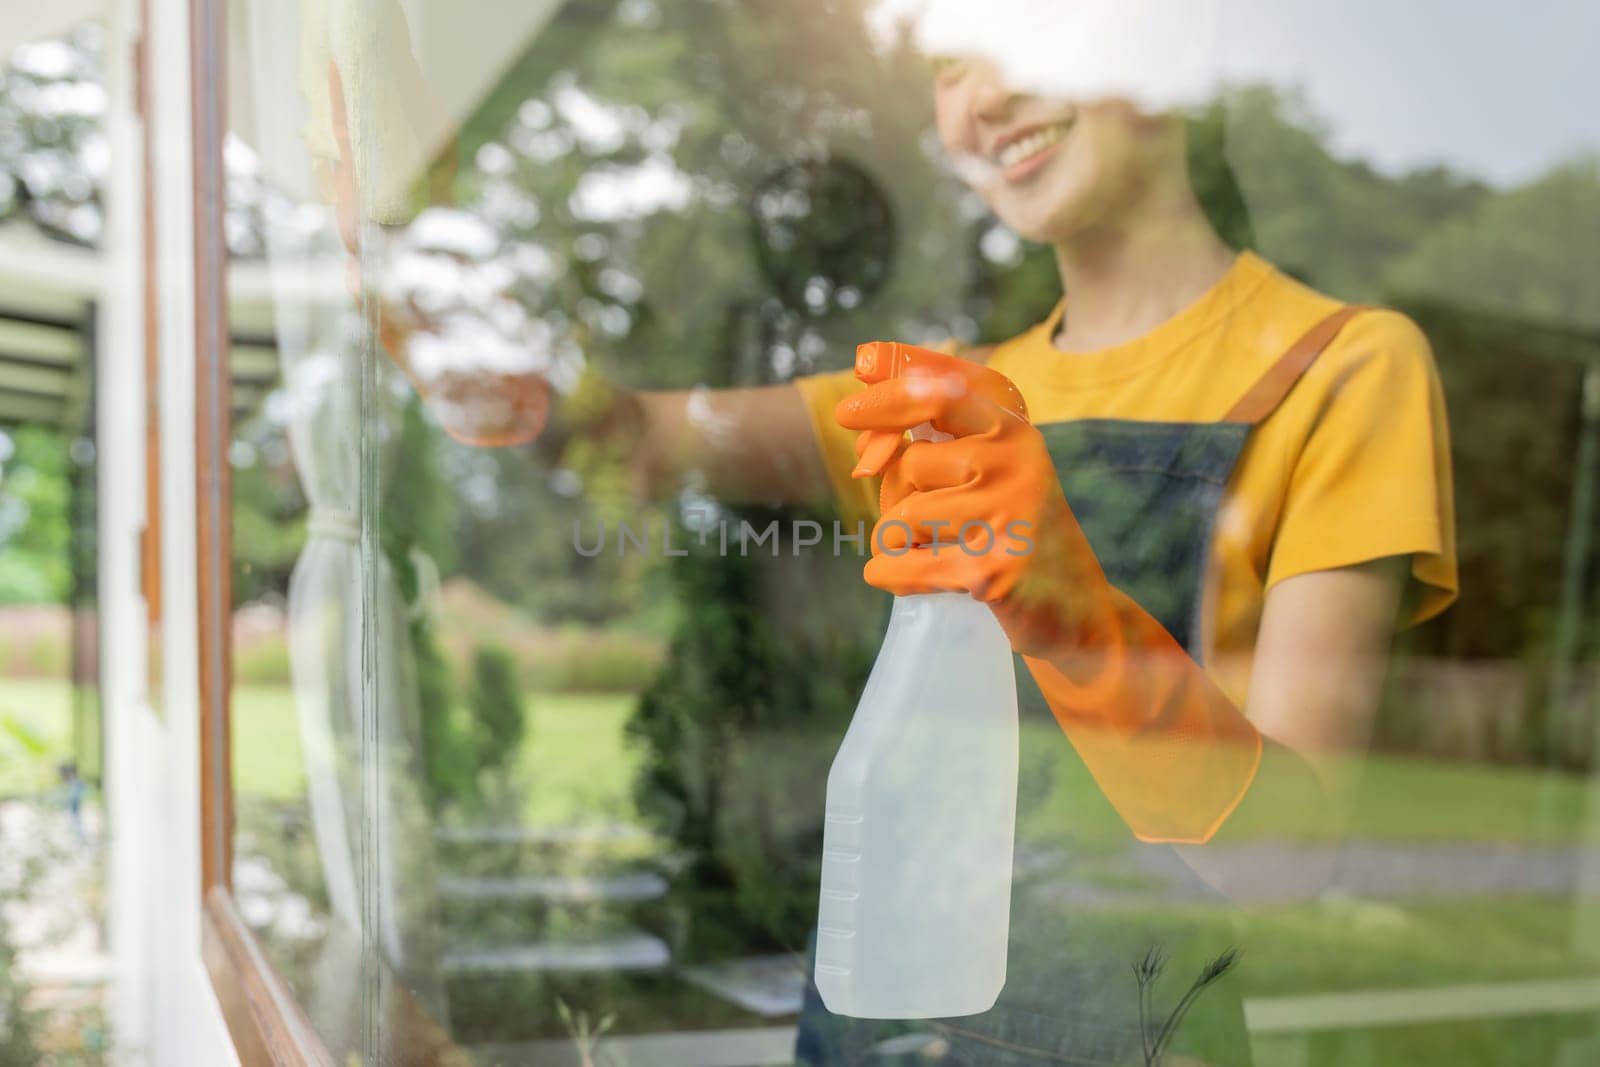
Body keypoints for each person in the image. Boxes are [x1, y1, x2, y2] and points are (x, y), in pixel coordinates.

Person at [332, 40, 1456, 1067]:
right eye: (955, 61)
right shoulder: (933, 403)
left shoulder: (1340, 369)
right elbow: (618, 436)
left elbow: (1285, 859)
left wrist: (1069, 607)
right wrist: (433, 286)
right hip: (877, 1027)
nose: (984, 97)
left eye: (1030, 33)